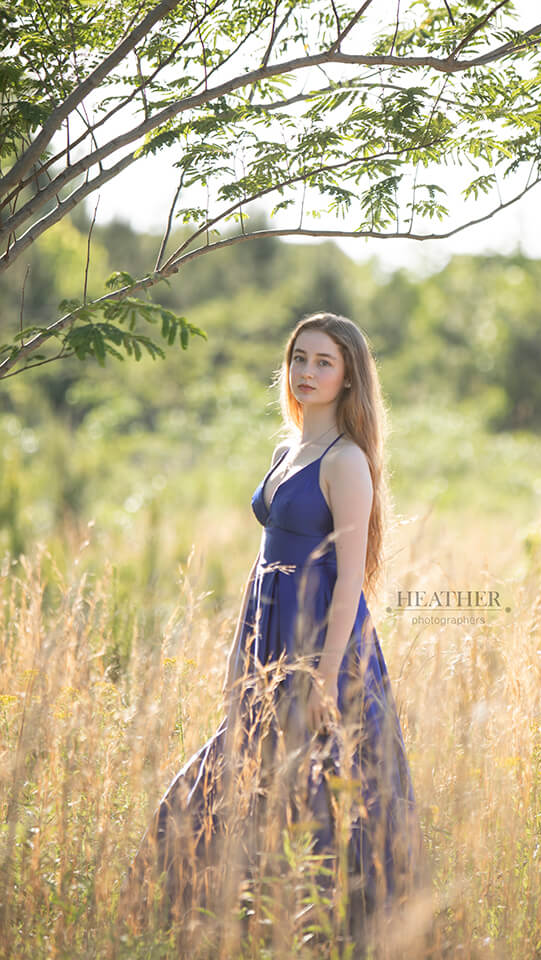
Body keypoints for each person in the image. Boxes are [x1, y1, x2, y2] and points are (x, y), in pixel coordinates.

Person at [123, 312, 425, 954]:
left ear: (348, 380)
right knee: (218, 791)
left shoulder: (346, 462)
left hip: (324, 650)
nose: (307, 372)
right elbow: (268, 563)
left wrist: (324, 674)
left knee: (322, 802)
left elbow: (350, 582)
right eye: (300, 358)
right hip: (267, 641)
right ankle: (227, 928)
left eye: (324, 362)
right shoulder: (286, 450)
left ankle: (340, 937)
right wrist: (242, 651)